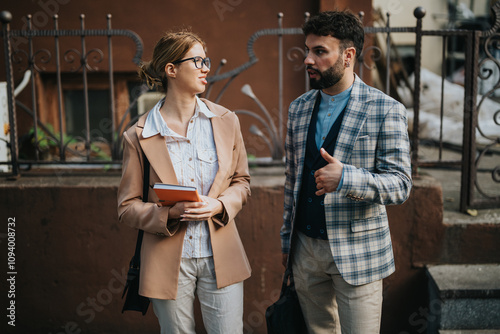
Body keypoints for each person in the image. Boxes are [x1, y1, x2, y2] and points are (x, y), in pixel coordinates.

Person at [280, 10, 412, 334]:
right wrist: (288, 245)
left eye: (320, 51)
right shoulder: (298, 108)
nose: (308, 59)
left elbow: (401, 185)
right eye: (308, 50)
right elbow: (291, 179)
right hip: (305, 251)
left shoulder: (385, 109)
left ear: (348, 55)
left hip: (359, 253)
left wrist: (346, 178)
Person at [117, 30, 251, 334]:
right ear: (171, 69)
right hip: (166, 261)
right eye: (198, 60)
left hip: (222, 254)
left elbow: (241, 181)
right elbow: (127, 207)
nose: (206, 67)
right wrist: (169, 214)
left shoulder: (227, 121)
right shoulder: (138, 135)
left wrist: (219, 204)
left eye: (207, 60)